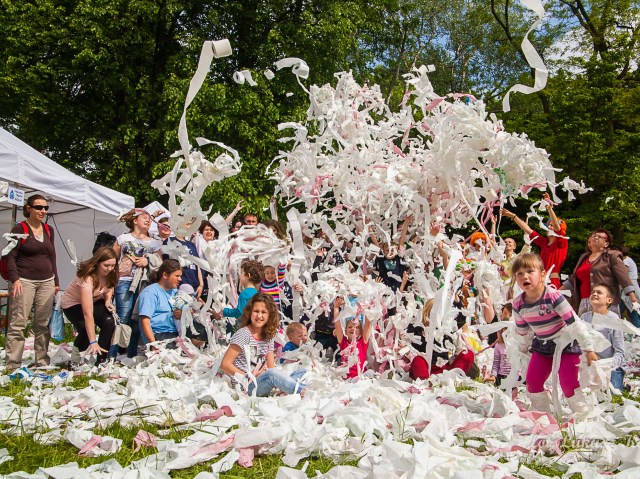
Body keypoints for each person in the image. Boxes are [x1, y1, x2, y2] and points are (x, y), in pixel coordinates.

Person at [511, 253, 598, 415]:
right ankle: (544, 413)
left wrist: (589, 349)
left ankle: (583, 414)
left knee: (568, 382)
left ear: (542, 275)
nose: (525, 276)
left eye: (530, 271)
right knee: (532, 382)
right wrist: (522, 350)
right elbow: (523, 332)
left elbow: (574, 322)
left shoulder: (553, 295)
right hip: (542, 345)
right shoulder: (517, 304)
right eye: (520, 274)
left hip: (566, 343)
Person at [4, 194, 59, 370]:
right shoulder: (19, 228)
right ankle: (13, 364)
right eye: (39, 207)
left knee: (43, 323)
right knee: (18, 323)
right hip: (24, 280)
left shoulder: (49, 230)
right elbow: (9, 256)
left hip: (46, 281)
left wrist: (56, 281)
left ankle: (42, 361)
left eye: (45, 208)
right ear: (28, 208)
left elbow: (52, 256)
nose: (43, 211)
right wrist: (15, 279)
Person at [220, 293, 306, 396]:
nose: (259, 316)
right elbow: (225, 364)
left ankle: (288, 389)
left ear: (270, 315)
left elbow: (270, 367)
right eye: (256, 311)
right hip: (246, 386)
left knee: (301, 371)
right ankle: (302, 391)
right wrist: (247, 377)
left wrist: (277, 376)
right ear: (250, 312)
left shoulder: (268, 336)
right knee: (272, 375)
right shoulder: (243, 334)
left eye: (264, 312)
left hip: (263, 380)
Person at [112, 208, 162, 358]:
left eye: (149, 219)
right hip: (124, 281)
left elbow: (160, 263)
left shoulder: (154, 243)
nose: (148, 220)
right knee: (123, 317)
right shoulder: (123, 238)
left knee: (137, 318)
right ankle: (113, 353)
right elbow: (112, 259)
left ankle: (130, 354)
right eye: (144, 218)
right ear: (135, 220)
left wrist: (148, 260)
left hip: (143, 283)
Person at [61, 247, 118, 365]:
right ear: (97, 263)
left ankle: (102, 360)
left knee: (109, 321)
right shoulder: (87, 278)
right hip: (73, 303)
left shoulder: (112, 273)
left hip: (95, 299)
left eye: (112, 265)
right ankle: (75, 360)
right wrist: (93, 341)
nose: (110, 269)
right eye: (106, 265)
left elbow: (109, 287)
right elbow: (88, 313)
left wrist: (108, 301)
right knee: (85, 330)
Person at [562, 229, 639, 316]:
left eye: (600, 237)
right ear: (589, 242)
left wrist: (632, 296)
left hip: (605, 303)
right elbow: (574, 279)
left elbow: (623, 277)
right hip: (585, 302)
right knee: (586, 328)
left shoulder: (612, 256)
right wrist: (557, 291)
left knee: (606, 329)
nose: (596, 237)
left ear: (606, 244)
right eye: (594, 236)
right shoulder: (583, 258)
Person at [501, 193, 568, 288]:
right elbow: (528, 230)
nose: (549, 226)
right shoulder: (544, 242)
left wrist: (549, 208)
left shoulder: (562, 242)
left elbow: (557, 227)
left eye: (551, 225)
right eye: (548, 225)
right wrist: (513, 216)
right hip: (539, 280)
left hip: (552, 281)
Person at [581, 283, 626, 392]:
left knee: (612, 393)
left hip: (611, 366)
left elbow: (620, 352)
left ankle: (622, 383)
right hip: (590, 364)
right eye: (593, 292)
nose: (595, 294)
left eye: (599, 292)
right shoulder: (584, 317)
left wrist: (605, 365)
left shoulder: (614, 320)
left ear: (609, 300)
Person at [137, 259, 183, 347]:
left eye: (180, 276)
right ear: (165, 275)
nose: (180, 279)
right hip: (159, 334)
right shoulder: (150, 292)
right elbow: (145, 321)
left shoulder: (176, 292)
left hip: (175, 332)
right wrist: (153, 344)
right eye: (177, 276)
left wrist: (182, 313)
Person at [212, 259, 263, 327]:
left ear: (248, 276)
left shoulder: (245, 294)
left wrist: (225, 311)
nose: (239, 275)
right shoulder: (256, 292)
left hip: (246, 326)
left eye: (241, 273)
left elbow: (240, 312)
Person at [334, 296, 372, 379]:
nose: (353, 329)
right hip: (346, 378)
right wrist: (336, 307)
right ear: (346, 330)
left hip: (360, 378)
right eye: (350, 327)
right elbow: (337, 325)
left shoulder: (363, 342)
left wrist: (367, 307)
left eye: (357, 327)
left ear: (361, 331)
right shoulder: (343, 342)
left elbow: (368, 324)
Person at [619, 245, 640, 327]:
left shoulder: (625, 261)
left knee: (629, 311)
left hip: (629, 288)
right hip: (632, 287)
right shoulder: (629, 260)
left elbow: (623, 274)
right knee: (632, 312)